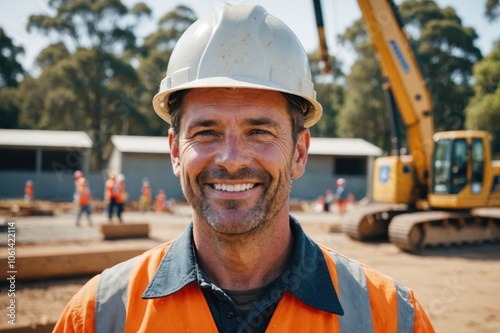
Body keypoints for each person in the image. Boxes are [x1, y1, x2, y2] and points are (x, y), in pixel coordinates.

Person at [54, 4, 434, 332]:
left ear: (299, 153)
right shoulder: (97, 316)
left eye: (259, 132)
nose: (232, 158)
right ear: (174, 152)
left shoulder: (392, 317)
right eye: (206, 132)